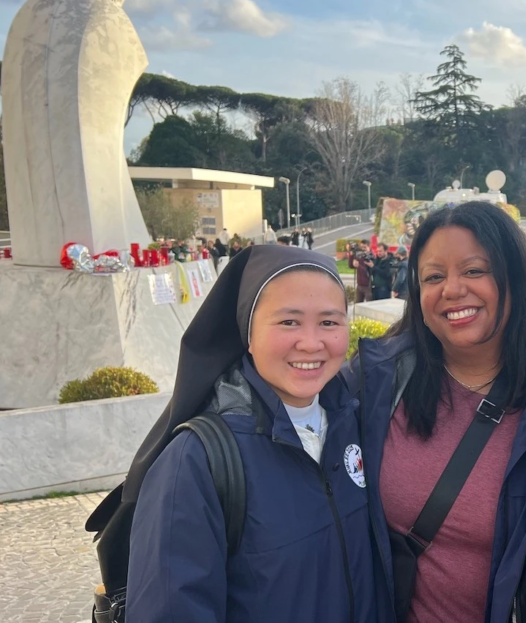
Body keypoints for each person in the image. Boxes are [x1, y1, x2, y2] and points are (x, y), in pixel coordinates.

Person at [124, 245, 383, 623]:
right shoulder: (196, 462)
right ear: (248, 334)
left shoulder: (354, 425)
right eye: (288, 322)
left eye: (329, 322)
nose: (311, 343)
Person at [345, 202, 526, 623]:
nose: (452, 290)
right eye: (434, 277)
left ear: (513, 275)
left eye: (474, 271)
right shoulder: (379, 377)